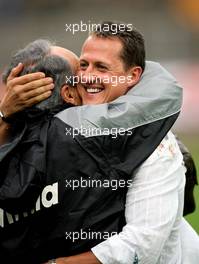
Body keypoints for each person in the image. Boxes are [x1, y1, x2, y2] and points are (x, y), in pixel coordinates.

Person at [0, 22, 197, 263]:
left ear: (133, 76)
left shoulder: (153, 143)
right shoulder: (48, 138)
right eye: (83, 66)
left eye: (101, 68)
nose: (87, 76)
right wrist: (5, 115)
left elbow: (142, 244)